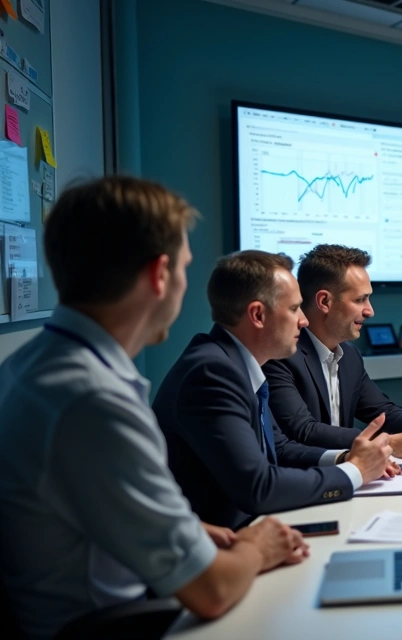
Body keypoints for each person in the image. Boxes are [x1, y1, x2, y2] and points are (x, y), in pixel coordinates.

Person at [0, 177, 308, 639]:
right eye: (184, 268)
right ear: (160, 274)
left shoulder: (29, 367)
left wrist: (189, 530)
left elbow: (87, 509)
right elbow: (213, 590)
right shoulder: (95, 401)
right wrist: (258, 546)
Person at [154, 250, 400, 530]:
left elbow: (280, 449)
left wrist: (345, 458)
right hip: (222, 539)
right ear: (258, 315)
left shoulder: (234, 363)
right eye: (294, 309)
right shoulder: (212, 373)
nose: (304, 320)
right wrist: (354, 472)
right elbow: (259, 487)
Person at [264, 244, 402, 458]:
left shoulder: (349, 354)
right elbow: (303, 431)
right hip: (310, 473)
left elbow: (381, 411)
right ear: (324, 301)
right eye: (360, 300)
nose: (370, 311)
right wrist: (389, 443)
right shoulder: (281, 354)